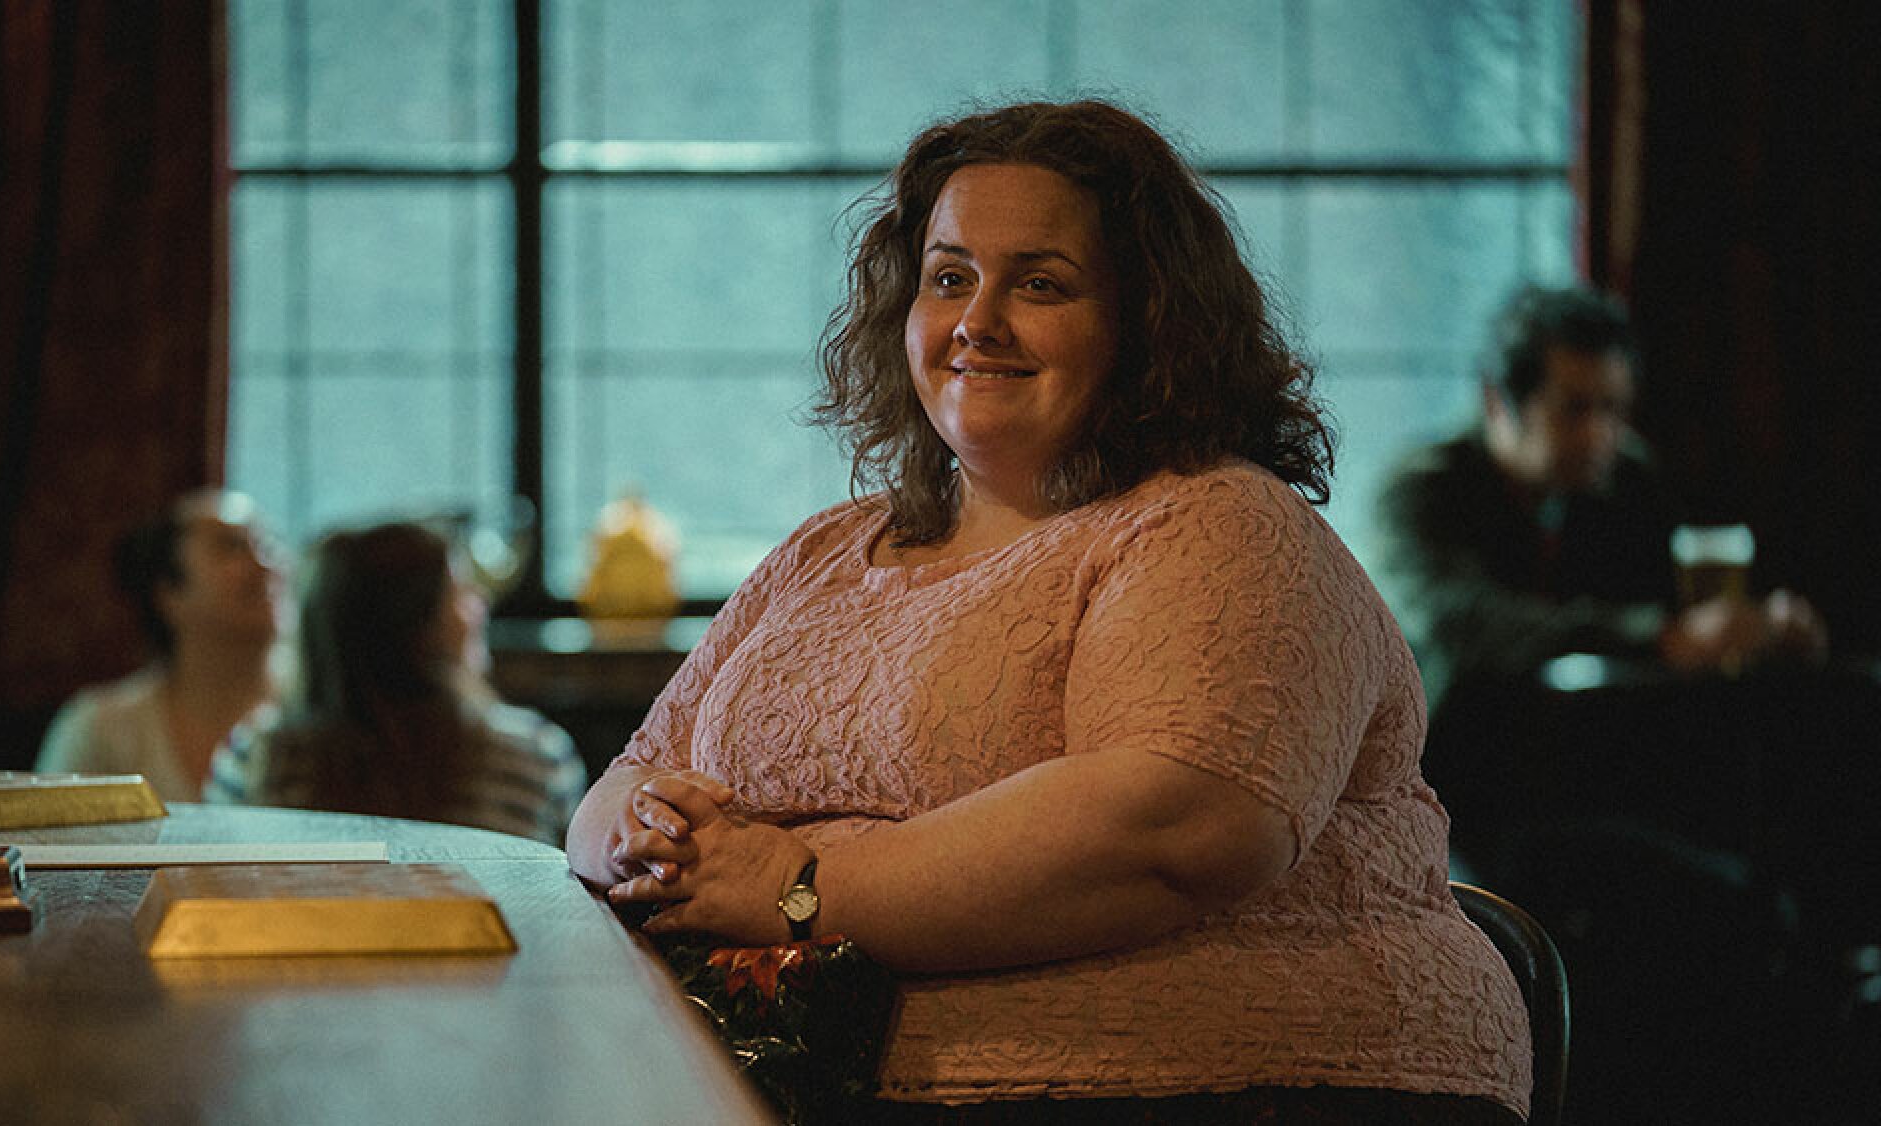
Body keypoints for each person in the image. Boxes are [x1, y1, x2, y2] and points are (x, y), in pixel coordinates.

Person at [566, 100, 1530, 1124]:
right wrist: (640, 836)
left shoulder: (1217, 525)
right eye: (948, 278)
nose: (977, 321)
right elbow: (625, 776)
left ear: (1146, 318)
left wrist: (800, 887)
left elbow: (1173, 828)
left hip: (1223, 1089)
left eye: (1038, 283)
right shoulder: (823, 548)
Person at [1376, 282, 1826, 720]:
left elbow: (1679, 608)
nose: (1599, 435)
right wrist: (1655, 636)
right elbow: (1464, 623)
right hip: (1448, 757)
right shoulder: (1421, 490)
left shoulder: (1626, 478)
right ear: (1498, 402)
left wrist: (1763, 626)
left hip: (1592, 750)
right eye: (1574, 409)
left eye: (1613, 410)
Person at [207, 521, 586, 846]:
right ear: (423, 629)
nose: (479, 604)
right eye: (458, 592)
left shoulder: (253, 758)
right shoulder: (537, 758)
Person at [35, 488, 284, 801]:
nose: (265, 566)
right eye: (231, 546)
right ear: (169, 594)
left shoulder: (319, 728)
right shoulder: (101, 732)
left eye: (269, 545)